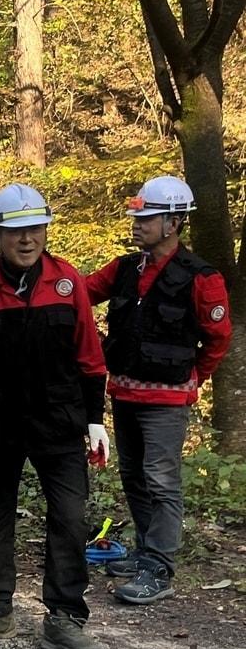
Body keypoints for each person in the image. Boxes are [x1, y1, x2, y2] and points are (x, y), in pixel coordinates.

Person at [0, 183, 110, 649]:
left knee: (71, 520)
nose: (28, 239)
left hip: (59, 421)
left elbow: (90, 360)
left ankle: (65, 618)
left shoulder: (67, 282)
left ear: (46, 229)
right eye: (16, 231)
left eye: (36, 228)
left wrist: (96, 421)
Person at [84, 176, 232, 604]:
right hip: (125, 393)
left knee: (161, 481)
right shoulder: (124, 268)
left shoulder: (202, 277)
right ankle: (146, 550)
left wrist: (193, 379)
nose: (137, 224)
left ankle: (159, 569)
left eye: (146, 218)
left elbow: (218, 338)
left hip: (167, 400)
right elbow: (82, 291)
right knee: (133, 475)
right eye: (136, 217)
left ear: (173, 222)